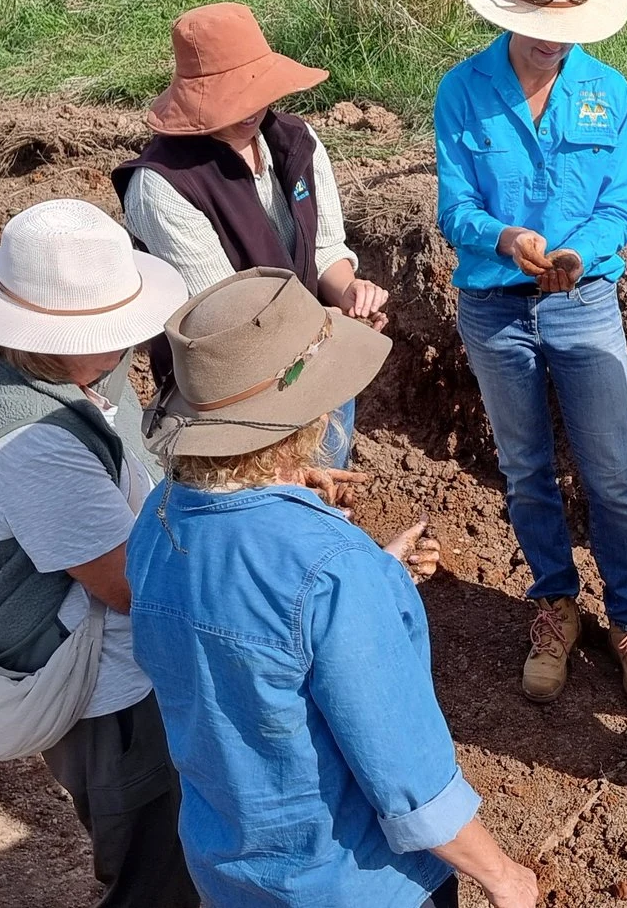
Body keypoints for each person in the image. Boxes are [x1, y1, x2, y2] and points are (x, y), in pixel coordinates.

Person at [125, 267, 541, 908]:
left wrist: (372, 580)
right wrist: (504, 877)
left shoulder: (157, 518)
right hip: (356, 884)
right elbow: (409, 781)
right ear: (305, 418)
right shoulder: (336, 570)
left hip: (228, 869)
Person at [0, 198, 199, 908]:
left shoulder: (48, 369)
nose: (130, 342)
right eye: (114, 327)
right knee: (155, 868)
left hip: (116, 666)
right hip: (114, 691)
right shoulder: (33, 442)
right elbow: (132, 583)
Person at [433, 0, 627, 707]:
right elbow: (454, 206)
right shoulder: (461, 91)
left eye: (565, 32)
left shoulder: (611, 91)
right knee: (527, 469)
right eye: (537, 28)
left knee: (613, 477)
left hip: (584, 301)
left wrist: (577, 253)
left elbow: (619, 206)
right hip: (495, 308)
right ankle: (555, 603)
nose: (550, 44)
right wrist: (501, 235)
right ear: (507, 11)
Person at [115, 1, 388, 468]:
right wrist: (324, 325)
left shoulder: (297, 141)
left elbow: (325, 248)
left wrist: (348, 292)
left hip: (315, 370)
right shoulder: (163, 184)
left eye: (254, 92)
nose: (249, 110)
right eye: (231, 99)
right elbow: (223, 310)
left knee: (325, 499)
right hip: (230, 410)